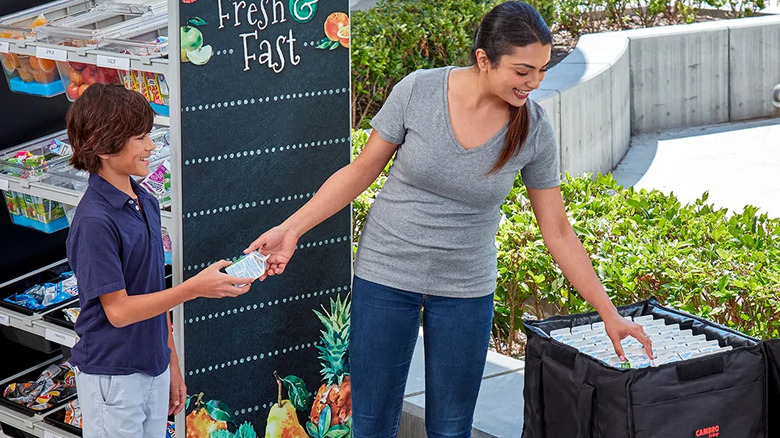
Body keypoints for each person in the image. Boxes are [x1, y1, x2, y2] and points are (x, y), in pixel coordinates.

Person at [245, 2, 654, 437]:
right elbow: (360, 172)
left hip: (466, 288)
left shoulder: (534, 128)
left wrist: (609, 313)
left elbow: (557, 230)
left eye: (541, 70)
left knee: (452, 428)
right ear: (484, 60)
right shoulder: (419, 91)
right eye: (522, 72)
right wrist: (291, 230)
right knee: (370, 423)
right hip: (386, 273)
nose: (534, 83)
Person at [65, 84, 254, 438]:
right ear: (104, 146)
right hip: (113, 376)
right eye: (140, 137)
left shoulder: (145, 201)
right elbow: (118, 311)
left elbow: (152, 290)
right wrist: (194, 288)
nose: (151, 145)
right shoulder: (93, 222)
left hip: (152, 366)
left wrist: (171, 361)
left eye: (149, 135)